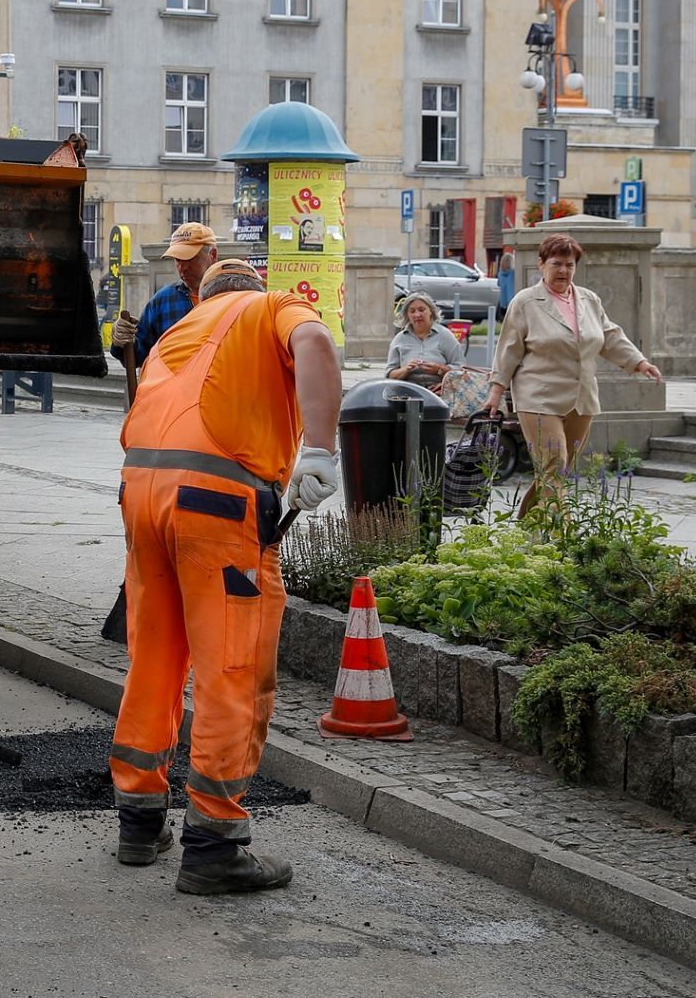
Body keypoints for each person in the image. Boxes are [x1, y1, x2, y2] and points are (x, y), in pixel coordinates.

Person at [111, 257, 343, 894]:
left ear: (205, 295)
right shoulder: (269, 308)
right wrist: (320, 449)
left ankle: (139, 820)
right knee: (231, 667)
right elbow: (315, 341)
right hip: (216, 505)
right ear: (251, 289)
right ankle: (215, 844)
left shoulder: (178, 333)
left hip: (142, 495)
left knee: (154, 658)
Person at [486, 234, 662, 517]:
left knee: (556, 469)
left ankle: (528, 524)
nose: (563, 270)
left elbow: (608, 335)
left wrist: (639, 362)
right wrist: (496, 392)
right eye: (556, 264)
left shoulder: (589, 300)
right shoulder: (526, 302)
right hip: (539, 396)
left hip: (581, 398)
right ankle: (560, 532)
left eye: (569, 265)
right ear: (541, 264)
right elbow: (509, 349)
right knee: (554, 464)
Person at [110, 222, 220, 365]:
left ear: (213, 255)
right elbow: (137, 356)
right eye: (177, 259)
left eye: (190, 258)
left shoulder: (231, 296)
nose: (182, 267)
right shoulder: (163, 301)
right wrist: (121, 340)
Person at [385, 292, 466, 388]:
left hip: (439, 390)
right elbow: (389, 375)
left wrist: (439, 370)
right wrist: (406, 370)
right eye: (412, 311)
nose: (417, 315)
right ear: (407, 315)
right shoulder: (400, 339)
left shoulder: (445, 335)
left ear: (431, 311)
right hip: (409, 391)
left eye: (421, 310)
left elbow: (461, 369)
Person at [496, 246, 517, 313]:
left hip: (503, 303)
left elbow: (499, 284)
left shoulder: (500, 274)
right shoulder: (513, 273)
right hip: (512, 302)